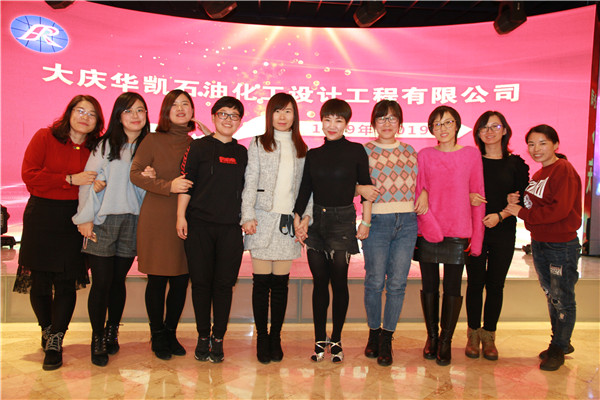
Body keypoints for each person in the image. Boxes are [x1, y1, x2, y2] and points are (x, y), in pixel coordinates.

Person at [14, 95, 104, 370]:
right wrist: (69, 179)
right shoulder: (45, 137)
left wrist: (99, 184)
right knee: (40, 281)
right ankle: (46, 328)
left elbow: (103, 179)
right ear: (69, 113)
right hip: (42, 215)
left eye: (92, 114)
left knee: (66, 283)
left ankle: (56, 339)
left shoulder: (97, 148)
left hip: (74, 219)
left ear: (98, 122)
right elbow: (30, 176)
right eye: (80, 111)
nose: (85, 117)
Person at [72, 92, 151, 366]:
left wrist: (151, 179)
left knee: (118, 282)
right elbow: (88, 182)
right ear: (119, 116)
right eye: (128, 111)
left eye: (140, 110)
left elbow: (150, 190)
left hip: (133, 221)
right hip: (103, 221)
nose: (135, 116)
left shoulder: (149, 146)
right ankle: (97, 338)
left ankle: (112, 331)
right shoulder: (105, 145)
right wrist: (85, 219)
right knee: (102, 283)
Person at [293, 98, 372, 363]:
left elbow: (366, 188)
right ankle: (319, 339)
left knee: (339, 282)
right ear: (321, 122)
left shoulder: (356, 151)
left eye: (338, 120)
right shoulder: (313, 154)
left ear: (346, 123)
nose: (332, 125)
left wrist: (366, 222)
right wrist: (299, 219)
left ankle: (336, 339)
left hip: (343, 221)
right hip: (317, 222)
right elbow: (305, 190)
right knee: (319, 283)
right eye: (327, 119)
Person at [240, 93, 311, 364]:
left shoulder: (301, 147)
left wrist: (305, 218)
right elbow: (250, 181)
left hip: (287, 224)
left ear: (295, 116)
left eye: (288, 111)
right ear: (269, 115)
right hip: (260, 220)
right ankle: (261, 337)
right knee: (261, 284)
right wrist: (247, 215)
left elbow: (306, 189)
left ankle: (275, 337)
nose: (282, 116)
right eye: (277, 111)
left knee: (280, 285)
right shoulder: (258, 143)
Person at [176, 96, 248, 363]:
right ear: (214, 116)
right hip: (199, 226)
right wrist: (180, 216)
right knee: (201, 284)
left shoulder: (243, 153)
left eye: (234, 116)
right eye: (223, 114)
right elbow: (187, 182)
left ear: (240, 122)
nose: (228, 120)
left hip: (230, 229)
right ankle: (203, 336)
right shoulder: (198, 147)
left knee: (224, 285)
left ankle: (218, 338)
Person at [504, 124, 581, 371]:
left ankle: (559, 346)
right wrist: (517, 202)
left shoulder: (563, 169)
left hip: (560, 245)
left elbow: (560, 210)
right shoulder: (540, 174)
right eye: (531, 144)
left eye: (542, 143)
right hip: (540, 242)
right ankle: (559, 342)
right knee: (552, 294)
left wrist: (523, 213)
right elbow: (533, 205)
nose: (536, 149)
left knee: (562, 297)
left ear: (555, 144)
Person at [413, 105, 485, 366]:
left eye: (448, 122)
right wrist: (423, 193)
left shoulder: (471, 154)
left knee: (452, 288)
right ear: (431, 129)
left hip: (458, 229)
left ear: (457, 126)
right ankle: (432, 337)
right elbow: (418, 188)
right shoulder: (424, 155)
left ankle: (446, 340)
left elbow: (478, 195)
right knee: (430, 285)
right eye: (437, 124)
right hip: (429, 226)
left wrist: (477, 239)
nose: (442, 128)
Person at [360, 100, 427, 366]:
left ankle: (387, 337)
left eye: (392, 118)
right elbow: (354, 185)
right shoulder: (364, 151)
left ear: (400, 123)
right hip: (377, 221)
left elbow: (423, 182)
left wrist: (424, 193)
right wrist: (360, 195)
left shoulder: (410, 151)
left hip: (407, 222)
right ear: (373, 123)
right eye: (381, 118)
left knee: (397, 283)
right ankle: (373, 333)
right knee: (374, 281)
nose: (387, 123)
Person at [130, 89, 195, 360]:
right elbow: (135, 174)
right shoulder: (152, 139)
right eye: (174, 105)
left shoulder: (195, 144)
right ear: (166, 111)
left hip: (187, 219)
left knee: (181, 280)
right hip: (157, 216)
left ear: (192, 111)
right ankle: (157, 333)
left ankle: (170, 332)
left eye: (185, 104)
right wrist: (168, 186)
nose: (180, 109)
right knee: (157, 280)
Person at [464, 111, 529, 361]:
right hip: (475, 231)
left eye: (495, 126)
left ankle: (489, 335)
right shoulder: (471, 161)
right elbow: (456, 191)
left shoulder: (516, 164)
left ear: (505, 130)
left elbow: (521, 200)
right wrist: (467, 197)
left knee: (495, 285)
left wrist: (501, 215)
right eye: (484, 127)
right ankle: (472, 334)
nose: (489, 131)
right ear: (478, 133)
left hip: (503, 230)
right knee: (475, 283)